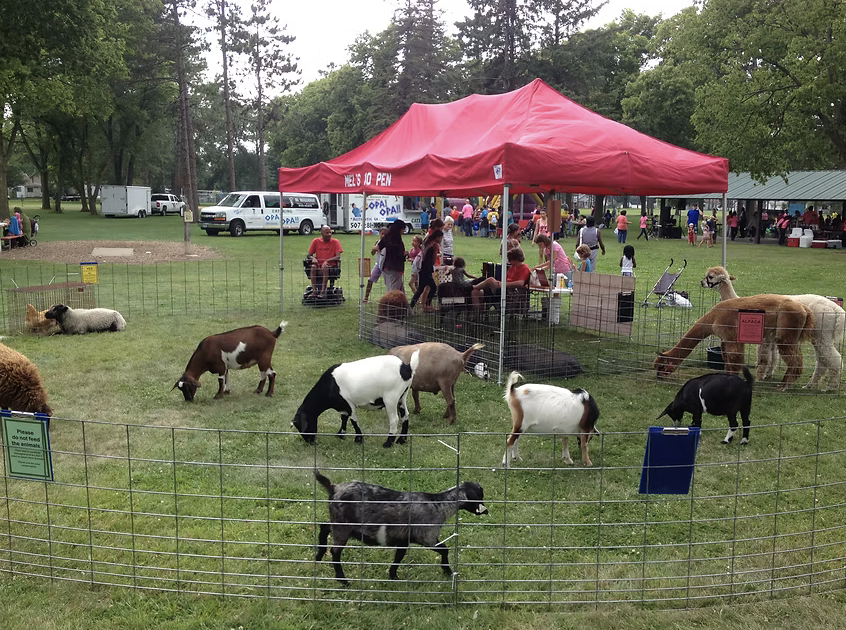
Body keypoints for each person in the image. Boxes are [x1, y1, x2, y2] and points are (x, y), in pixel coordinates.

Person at [471, 248, 531, 316]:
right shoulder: (512, 268)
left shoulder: (524, 268)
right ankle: (477, 318)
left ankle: (472, 287)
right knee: (475, 292)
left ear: (515, 259)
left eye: (510, 260)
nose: (509, 262)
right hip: (502, 289)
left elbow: (521, 283)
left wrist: (504, 284)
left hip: (509, 292)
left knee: (490, 279)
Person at [409, 229, 442, 313]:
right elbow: (434, 258)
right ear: (437, 237)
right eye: (441, 238)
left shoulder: (427, 242)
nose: (441, 240)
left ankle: (411, 306)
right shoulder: (434, 245)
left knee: (420, 289)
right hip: (427, 268)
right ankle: (427, 305)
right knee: (434, 288)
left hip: (422, 267)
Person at [307, 225, 343, 298]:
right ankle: (314, 291)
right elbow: (309, 255)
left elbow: (338, 257)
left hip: (331, 267)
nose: (329, 234)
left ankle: (323, 292)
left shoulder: (335, 242)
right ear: (322, 233)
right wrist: (312, 258)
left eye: (330, 232)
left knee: (325, 267)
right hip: (318, 266)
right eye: (327, 233)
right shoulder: (316, 241)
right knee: (313, 267)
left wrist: (327, 261)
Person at [376, 220, 407, 293]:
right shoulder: (397, 240)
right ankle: (390, 303)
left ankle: (403, 303)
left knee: (398, 289)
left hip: (386, 266)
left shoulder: (387, 237)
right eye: (403, 229)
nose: (403, 231)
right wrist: (405, 253)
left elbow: (378, 247)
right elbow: (398, 254)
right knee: (393, 291)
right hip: (395, 268)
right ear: (400, 229)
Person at [363, 227, 389, 303]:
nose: (383, 236)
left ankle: (388, 298)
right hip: (378, 264)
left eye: (385, 234)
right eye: (382, 234)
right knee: (370, 280)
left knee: (388, 282)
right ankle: (366, 297)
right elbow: (372, 253)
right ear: (379, 234)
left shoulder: (388, 243)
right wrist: (374, 249)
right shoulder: (378, 242)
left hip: (386, 265)